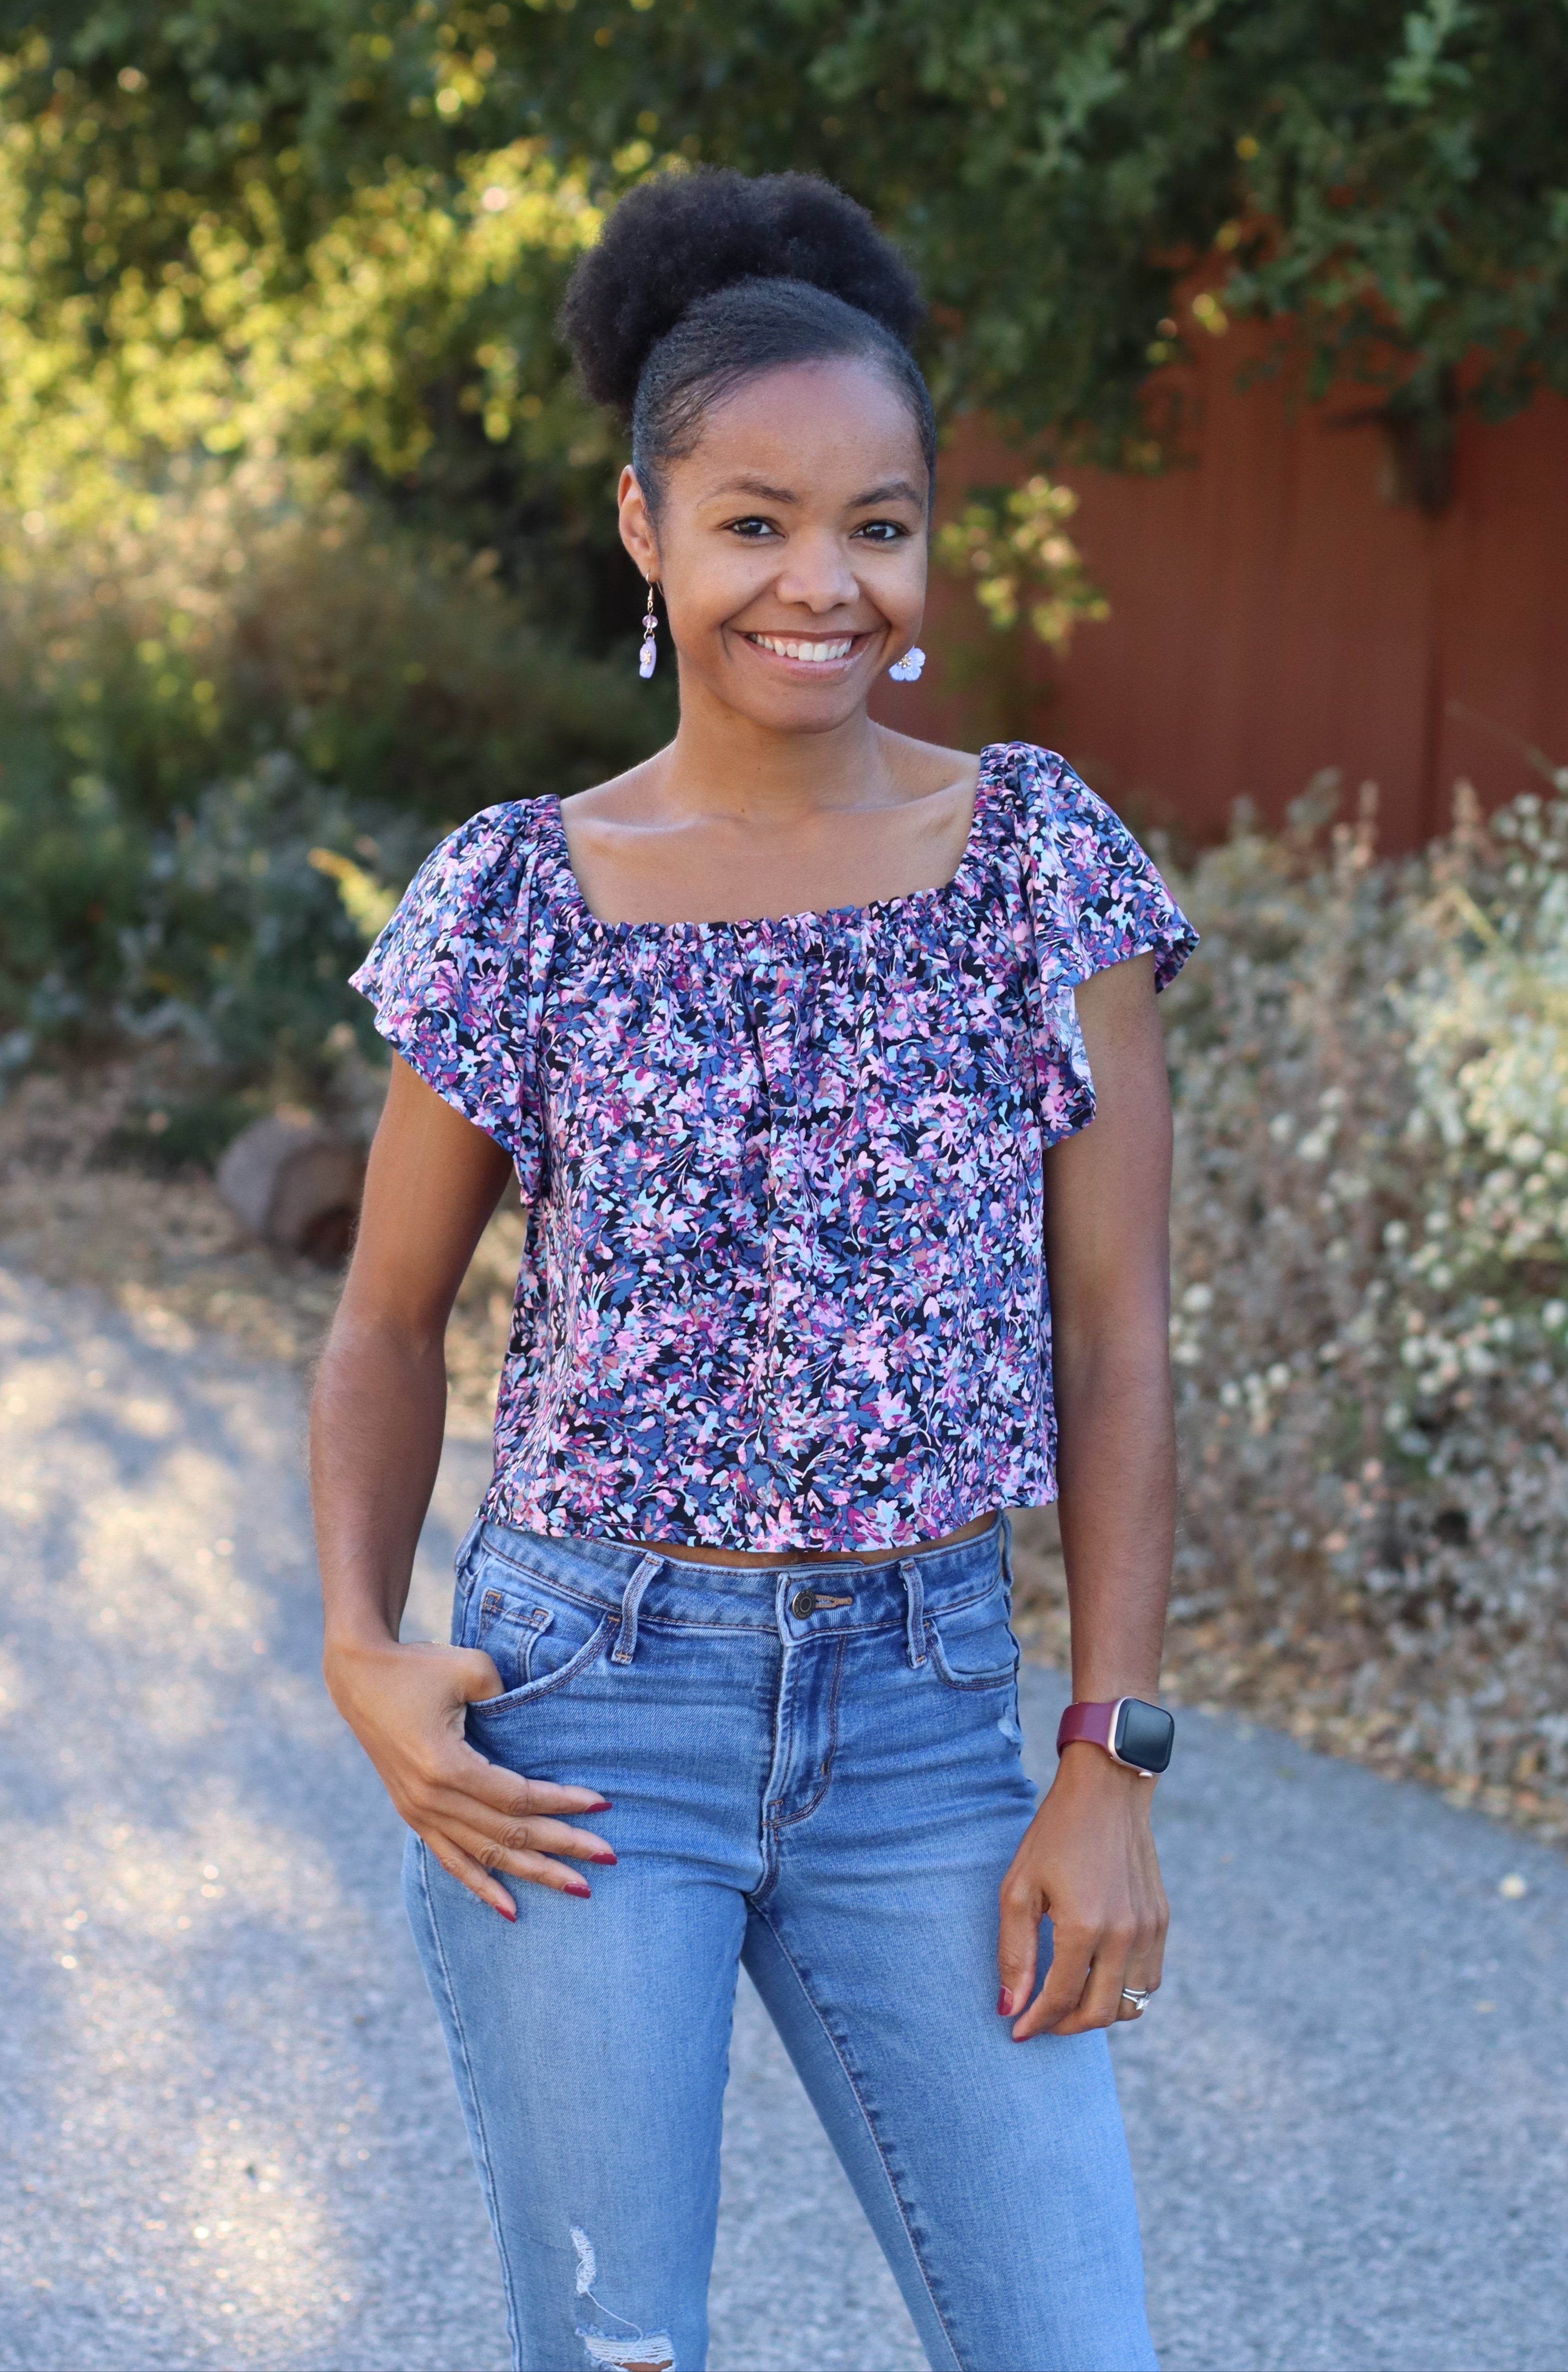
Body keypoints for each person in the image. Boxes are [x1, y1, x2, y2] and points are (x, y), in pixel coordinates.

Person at [311, 168, 1195, 2372]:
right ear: (647, 529)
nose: (826, 584)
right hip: (588, 1711)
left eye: (879, 524)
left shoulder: (1038, 865)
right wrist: (359, 1645)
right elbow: (384, 1319)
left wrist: (1110, 1759)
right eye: (756, 522)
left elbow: (1120, 1339)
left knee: (1073, 2345)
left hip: (925, 1716)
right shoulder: (523, 897)